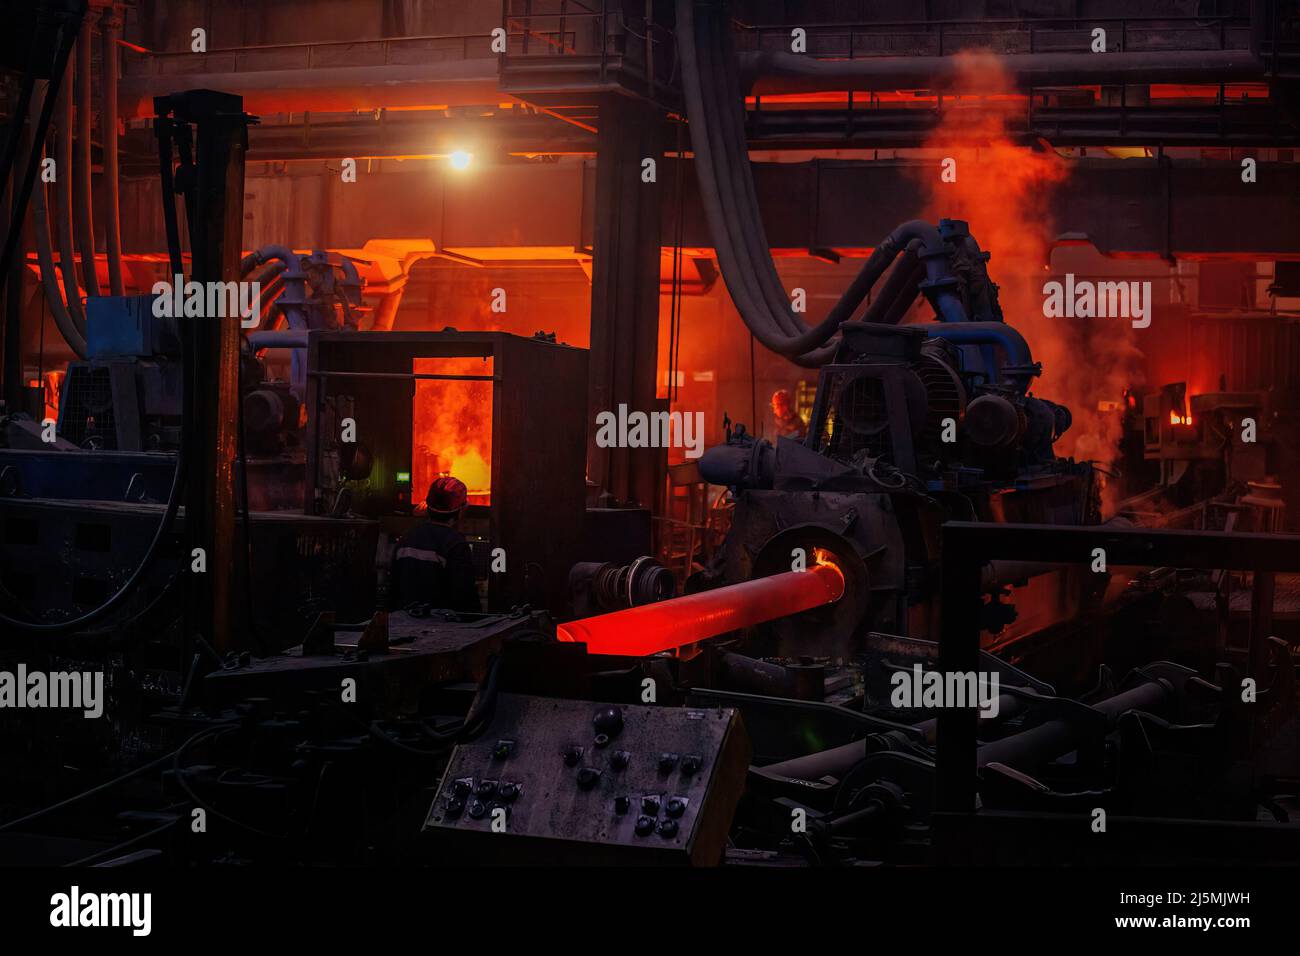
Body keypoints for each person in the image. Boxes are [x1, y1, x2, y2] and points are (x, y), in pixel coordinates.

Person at [390, 476, 481, 613]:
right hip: (441, 626)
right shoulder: (455, 544)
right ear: (460, 510)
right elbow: (465, 598)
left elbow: (393, 587)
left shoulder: (407, 538)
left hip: (404, 621)